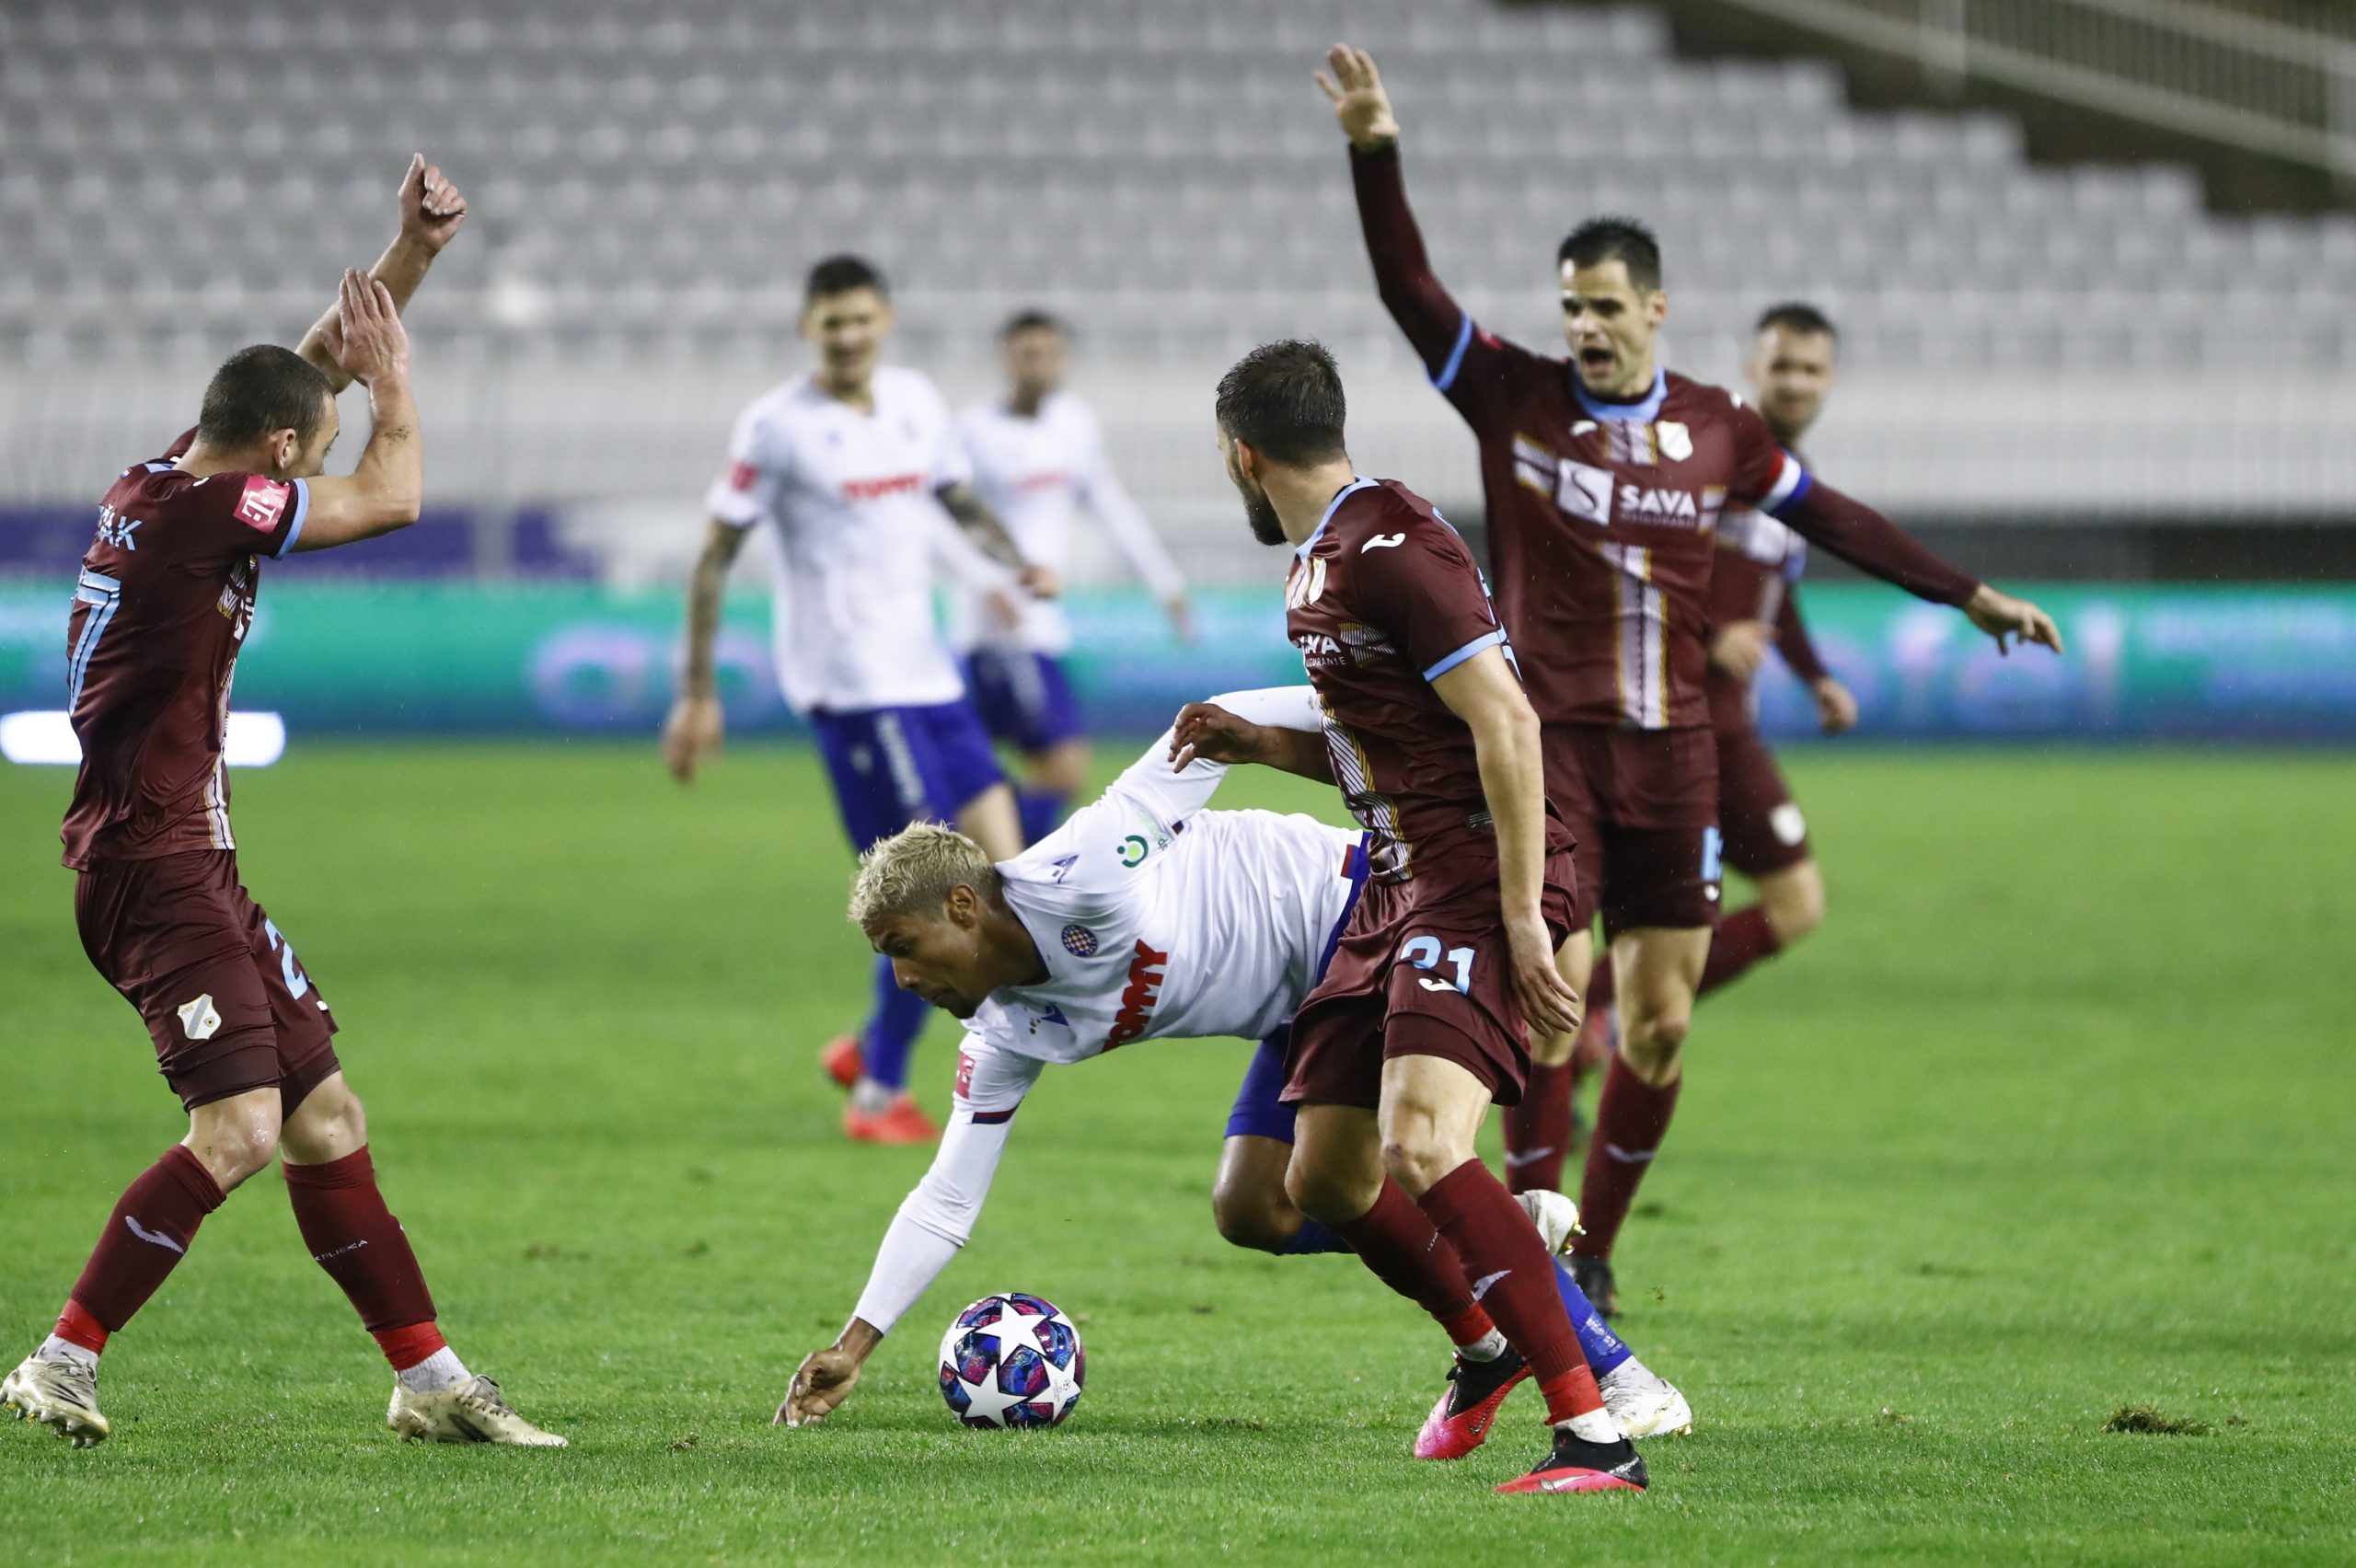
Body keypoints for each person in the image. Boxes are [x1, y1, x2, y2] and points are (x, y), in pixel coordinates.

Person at [1318, 43, 2063, 1313]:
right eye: (1572, 308)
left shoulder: (1719, 426)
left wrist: (1966, 590)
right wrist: (1375, 148)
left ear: (1654, 309)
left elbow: (1831, 515)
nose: (1586, 328)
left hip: (1675, 760)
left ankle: (1596, 1247)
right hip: (1552, 754)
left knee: (1659, 1020)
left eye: (1606, 307)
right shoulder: (1516, 398)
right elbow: (1408, 290)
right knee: (1550, 1008)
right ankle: (1535, 1243)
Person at [3, 158, 563, 1449]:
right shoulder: (214, 515)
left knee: (323, 1116)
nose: (313, 460)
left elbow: (311, 375)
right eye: (302, 453)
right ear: (271, 460)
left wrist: (407, 256)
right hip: (156, 867)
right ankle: (60, 1359)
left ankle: (429, 1383)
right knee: (242, 1128)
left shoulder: (153, 479)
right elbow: (392, 495)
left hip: (187, 860)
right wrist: (406, 386)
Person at [774, 693, 1691, 1454]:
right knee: (1255, 1208)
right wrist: (854, 1345)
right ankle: (1490, 1256)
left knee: (1383, 1165)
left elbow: (1203, 729)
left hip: (1355, 914)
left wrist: (1396, 703)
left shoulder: (1086, 868)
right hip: (1294, 1005)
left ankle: (1616, 1373)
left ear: (964, 906)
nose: (902, 979)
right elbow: (946, 1196)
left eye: (905, 948)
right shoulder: (1005, 1034)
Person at [1192, 337, 1649, 1495]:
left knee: (1424, 1142)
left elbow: (1506, 722)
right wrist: (1266, 747)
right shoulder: (1319, 563)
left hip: (1469, 875)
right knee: (1324, 1181)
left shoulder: (1390, 540)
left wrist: (1523, 919)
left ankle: (1596, 1437)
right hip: (1389, 879)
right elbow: (1393, 752)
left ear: (1240, 455)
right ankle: (1486, 1339)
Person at [662, 255, 1059, 1146]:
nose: (845, 338)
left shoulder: (917, 401)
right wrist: (697, 691)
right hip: (853, 690)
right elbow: (714, 557)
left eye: (858, 320)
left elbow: (954, 500)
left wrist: (1011, 559)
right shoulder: (777, 427)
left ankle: (867, 1047)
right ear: (808, 329)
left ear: (885, 317)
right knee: (928, 897)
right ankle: (878, 1093)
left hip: (931, 676)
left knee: (1000, 883)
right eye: (828, 323)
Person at [1555, 305, 1858, 1151]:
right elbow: (1629, 561)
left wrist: (1815, 674)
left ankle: (1592, 1014)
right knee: (1788, 905)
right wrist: (1705, 635)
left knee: (1794, 907)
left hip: (1725, 729)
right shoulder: (1705, 455)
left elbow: (1771, 587)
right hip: (1668, 727)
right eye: (1783, 366)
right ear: (1752, 367)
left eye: (1812, 369)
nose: (1796, 382)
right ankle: (1592, 1017)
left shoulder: (1780, 473)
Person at [953, 310, 1192, 843]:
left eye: (1048, 352)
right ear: (1006, 358)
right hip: (1000, 631)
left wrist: (1165, 583)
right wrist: (988, 583)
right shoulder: (974, 431)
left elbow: (1111, 506)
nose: (1038, 364)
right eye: (1026, 352)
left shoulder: (1073, 424)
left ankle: (982, 859)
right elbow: (951, 521)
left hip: (1043, 623)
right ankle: (996, 870)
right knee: (1061, 769)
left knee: (1036, 773)